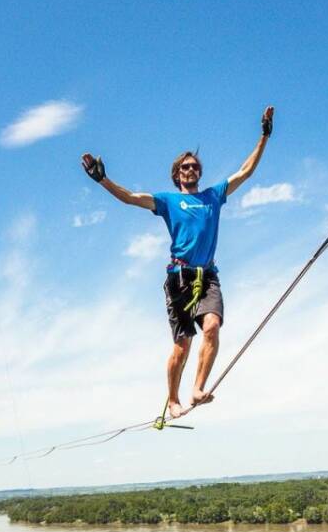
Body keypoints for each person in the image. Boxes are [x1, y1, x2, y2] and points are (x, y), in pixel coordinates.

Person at [82, 107, 274, 418]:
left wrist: (264, 135)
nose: (191, 170)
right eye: (185, 167)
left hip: (208, 275)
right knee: (182, 345)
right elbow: (130, 197)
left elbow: (245, 172)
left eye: (195, 167)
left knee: (212, 327)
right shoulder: (168, 201)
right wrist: (103, 180)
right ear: (177, 174)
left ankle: (197, 388)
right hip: (180, 278)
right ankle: (173, 399)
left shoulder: (214, 196)